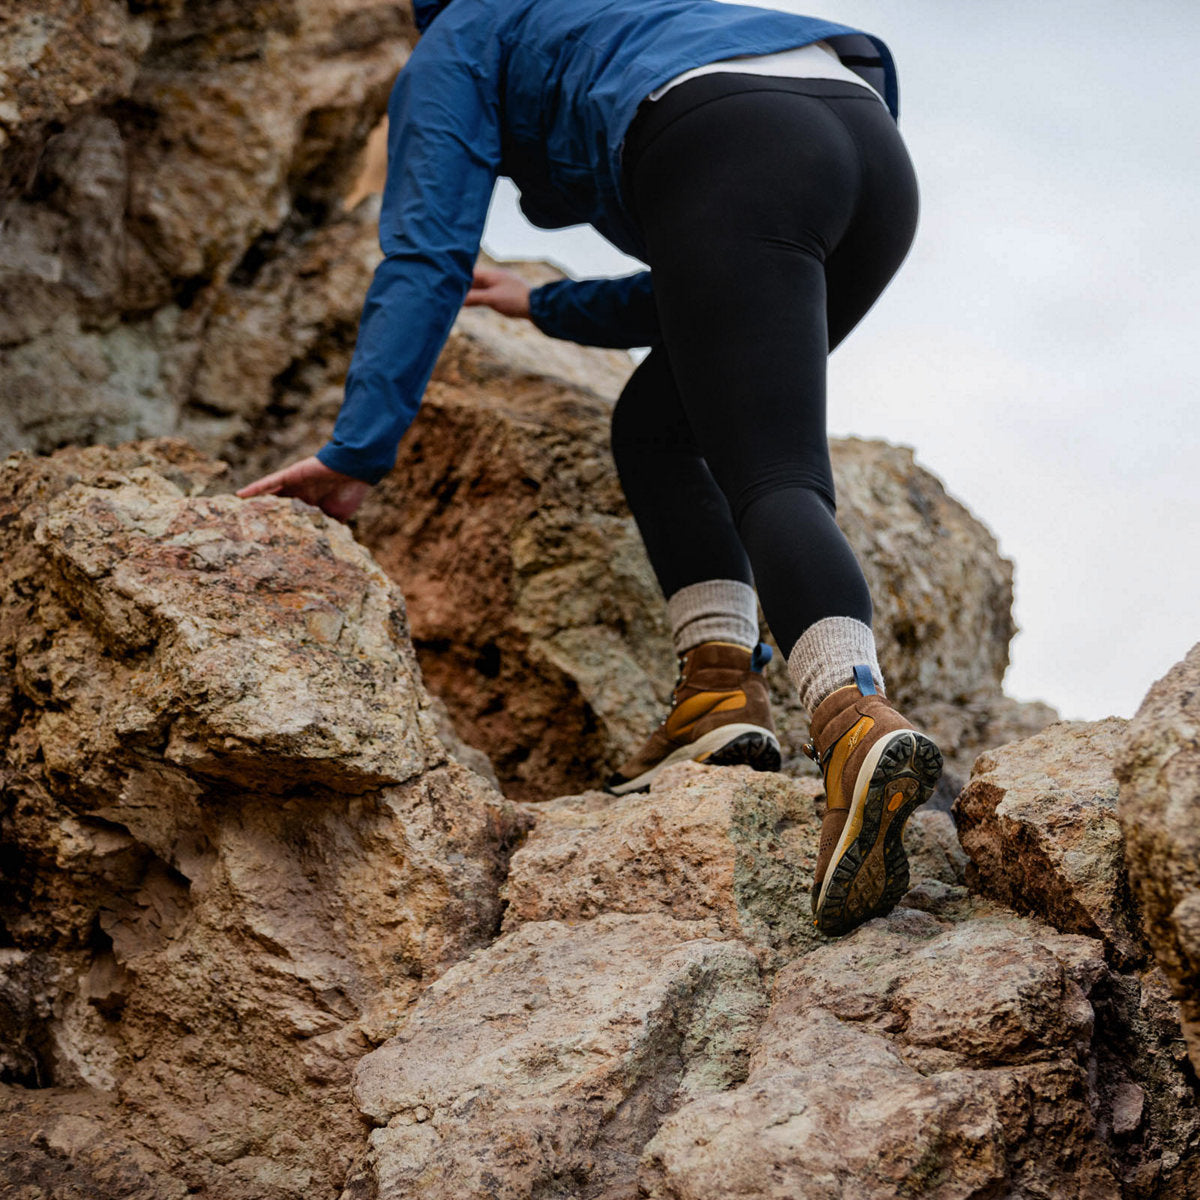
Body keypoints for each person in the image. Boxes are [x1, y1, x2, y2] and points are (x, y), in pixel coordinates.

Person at [238, 0, 942, 937]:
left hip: (729, 140)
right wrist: (552, 305)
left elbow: (424, 253)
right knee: (659, 423)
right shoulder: (616, 16)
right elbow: (715, 284)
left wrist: (356, 451)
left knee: (773, 476)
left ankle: (855, 718)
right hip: (866, 148)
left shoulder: (461, 34)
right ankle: (718, 694)